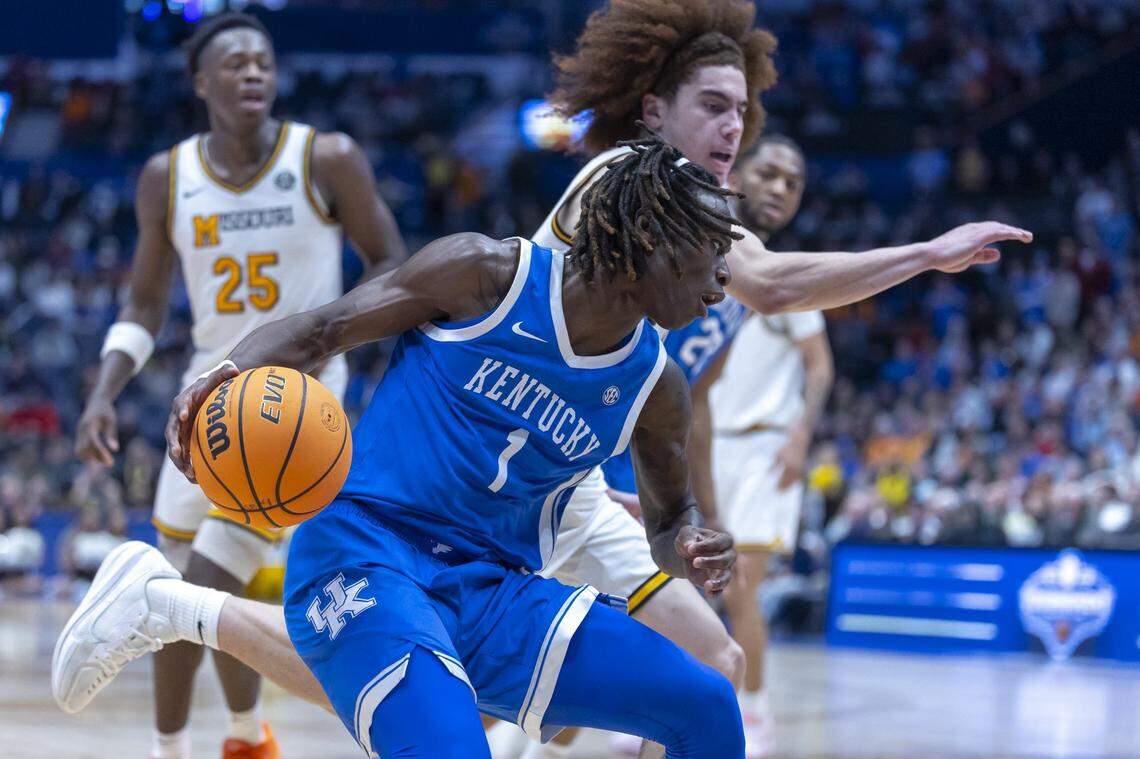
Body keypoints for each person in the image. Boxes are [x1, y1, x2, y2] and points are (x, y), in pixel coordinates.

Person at [57, 137, 748, 758]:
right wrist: (224, 372)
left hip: (495, 589)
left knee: (708, 705)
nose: (723, 279)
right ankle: (170, 605)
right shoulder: (486, 275)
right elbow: (324, 328)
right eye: (713, 250)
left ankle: (175, 605)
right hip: (364, 548)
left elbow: (668, 520)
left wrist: (689, 541)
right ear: (651, 236)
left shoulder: (656, 387)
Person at [508, 1, 1029, 755]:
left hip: (574, 471)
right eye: (713, 107)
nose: (732, 127)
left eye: (741, 112)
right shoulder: (626, 176)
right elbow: (774, 282)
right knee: (534, 708)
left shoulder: (703, 243)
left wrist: (673, 507)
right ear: (654, 112)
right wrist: (927, 252)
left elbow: (694, 396)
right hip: (501, 451)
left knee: (708, 665)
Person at [70, 12, 406, 759]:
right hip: (206, 394)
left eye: (264, 61)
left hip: (293, 401)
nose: (254, 72)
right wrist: (102, 391)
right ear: (201, 83)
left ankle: (202, 745)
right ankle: (238, 737)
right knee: (170, 587)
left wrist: (330, 336)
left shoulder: (327, 157)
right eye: (235, 64)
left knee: (201, 582)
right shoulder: (168, 176)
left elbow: (391, 263)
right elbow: (146, 304)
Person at [714, 134, 832, 755]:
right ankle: (668, 712)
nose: (781, 188)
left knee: (740, 589)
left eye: (794, 182)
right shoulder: (703, 260)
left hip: (762, 449)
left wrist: (799, 438)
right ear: (736, 175)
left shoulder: (788, 280)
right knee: (673, 587)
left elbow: (820, 367)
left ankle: (755, 712)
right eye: (770, 173)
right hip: (701, 448)